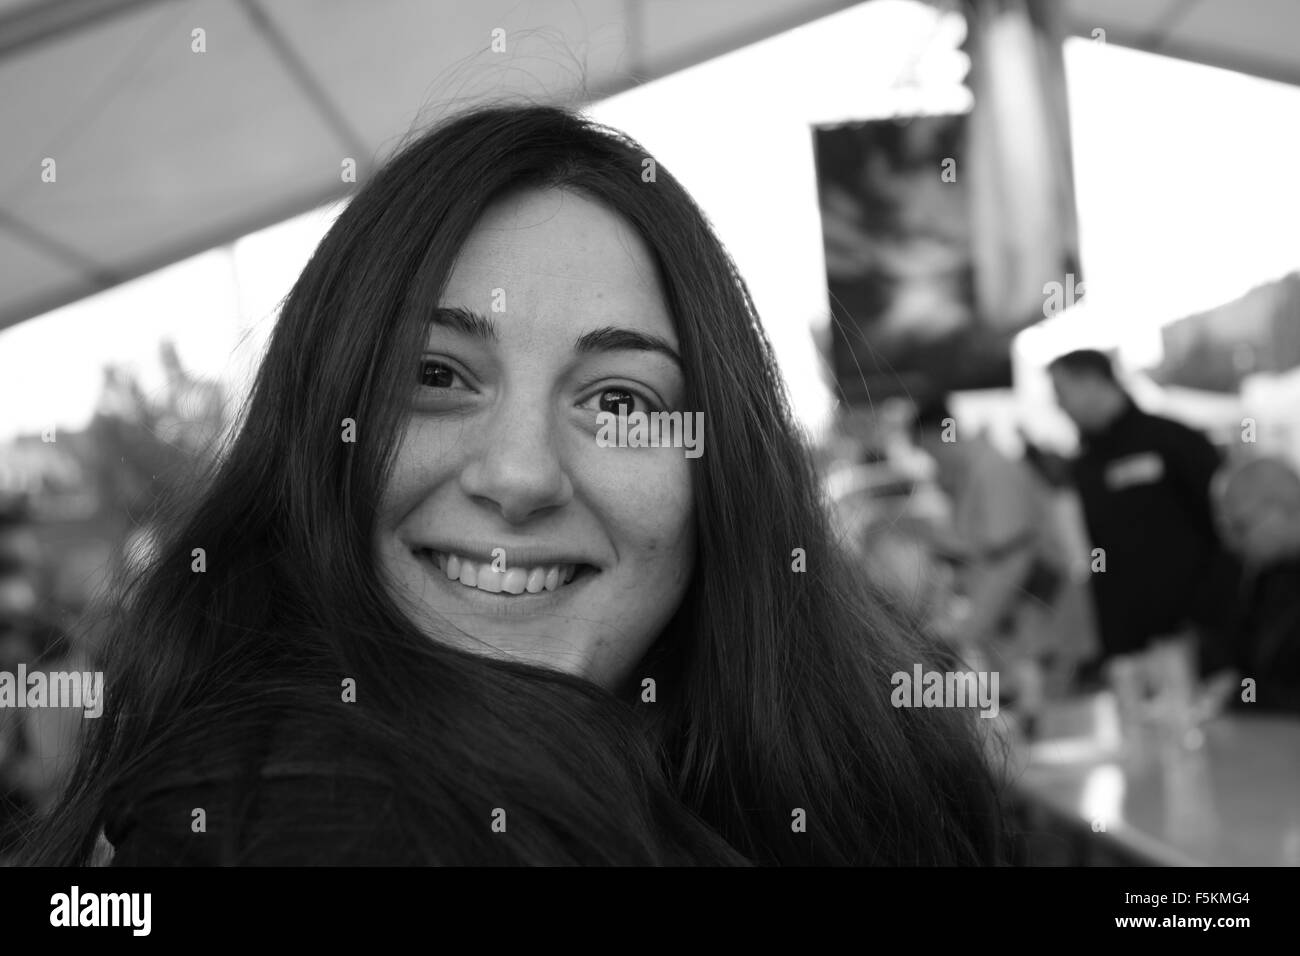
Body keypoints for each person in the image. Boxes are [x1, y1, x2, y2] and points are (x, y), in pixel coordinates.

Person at [19, 105, 1006, 867]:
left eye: (618, 397)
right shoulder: (275, 813)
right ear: (318, 433)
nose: (521, 475)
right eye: (435, 376)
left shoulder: (862, 774)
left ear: (718, 471)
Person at [1046, 350, 1237, 680]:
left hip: (1198, 638)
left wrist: (1210, 619)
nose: (1058, 405)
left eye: (1061, 393)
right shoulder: (1084, 466)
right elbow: (1093, 556)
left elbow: (1229, 530)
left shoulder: (1174, 441)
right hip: (1129, 649)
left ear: (1092, 382)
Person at [911, 399, 1069, 722]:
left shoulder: (993, 468)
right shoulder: (970, 473)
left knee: (1044, 713)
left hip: (1030, 613)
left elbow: (1010, 557)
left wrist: (969, 626)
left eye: (929, 450)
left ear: (936, 436)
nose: (931, 460)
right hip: (1009, 622)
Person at [1211, 456, 1300, 714]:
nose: (1231, 543)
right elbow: (1247, 666)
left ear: (1284, 508)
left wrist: (1242, 695)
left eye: (1240, 527)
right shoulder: (1266, 574)